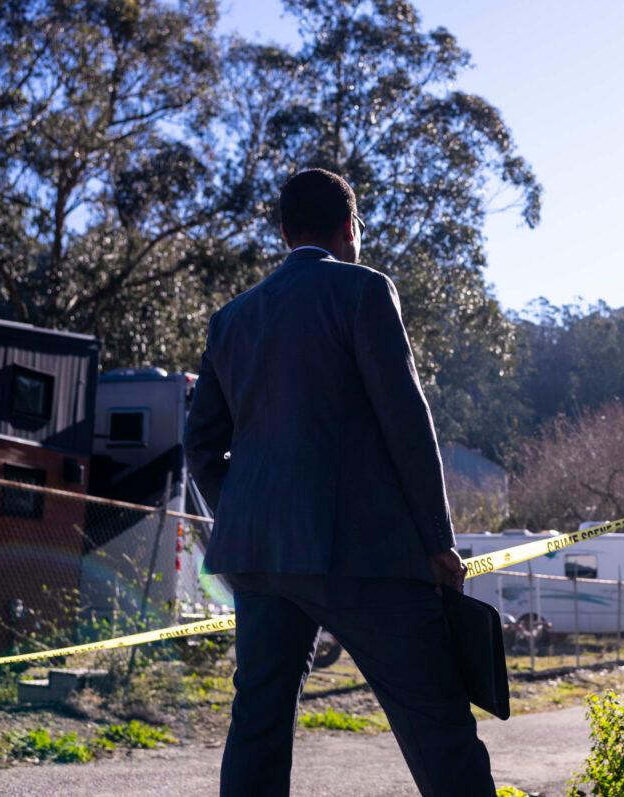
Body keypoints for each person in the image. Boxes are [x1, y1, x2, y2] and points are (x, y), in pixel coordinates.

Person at [184, 168, 496, 797]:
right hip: (364, 556)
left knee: (258, 728)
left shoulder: (231, 318)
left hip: (260, 561)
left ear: (281, 231)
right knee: (436, 724)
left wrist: (247, 518)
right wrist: (439, 540)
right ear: (351, 227)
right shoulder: (363, 290)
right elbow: (406, 422)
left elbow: (200, 447)